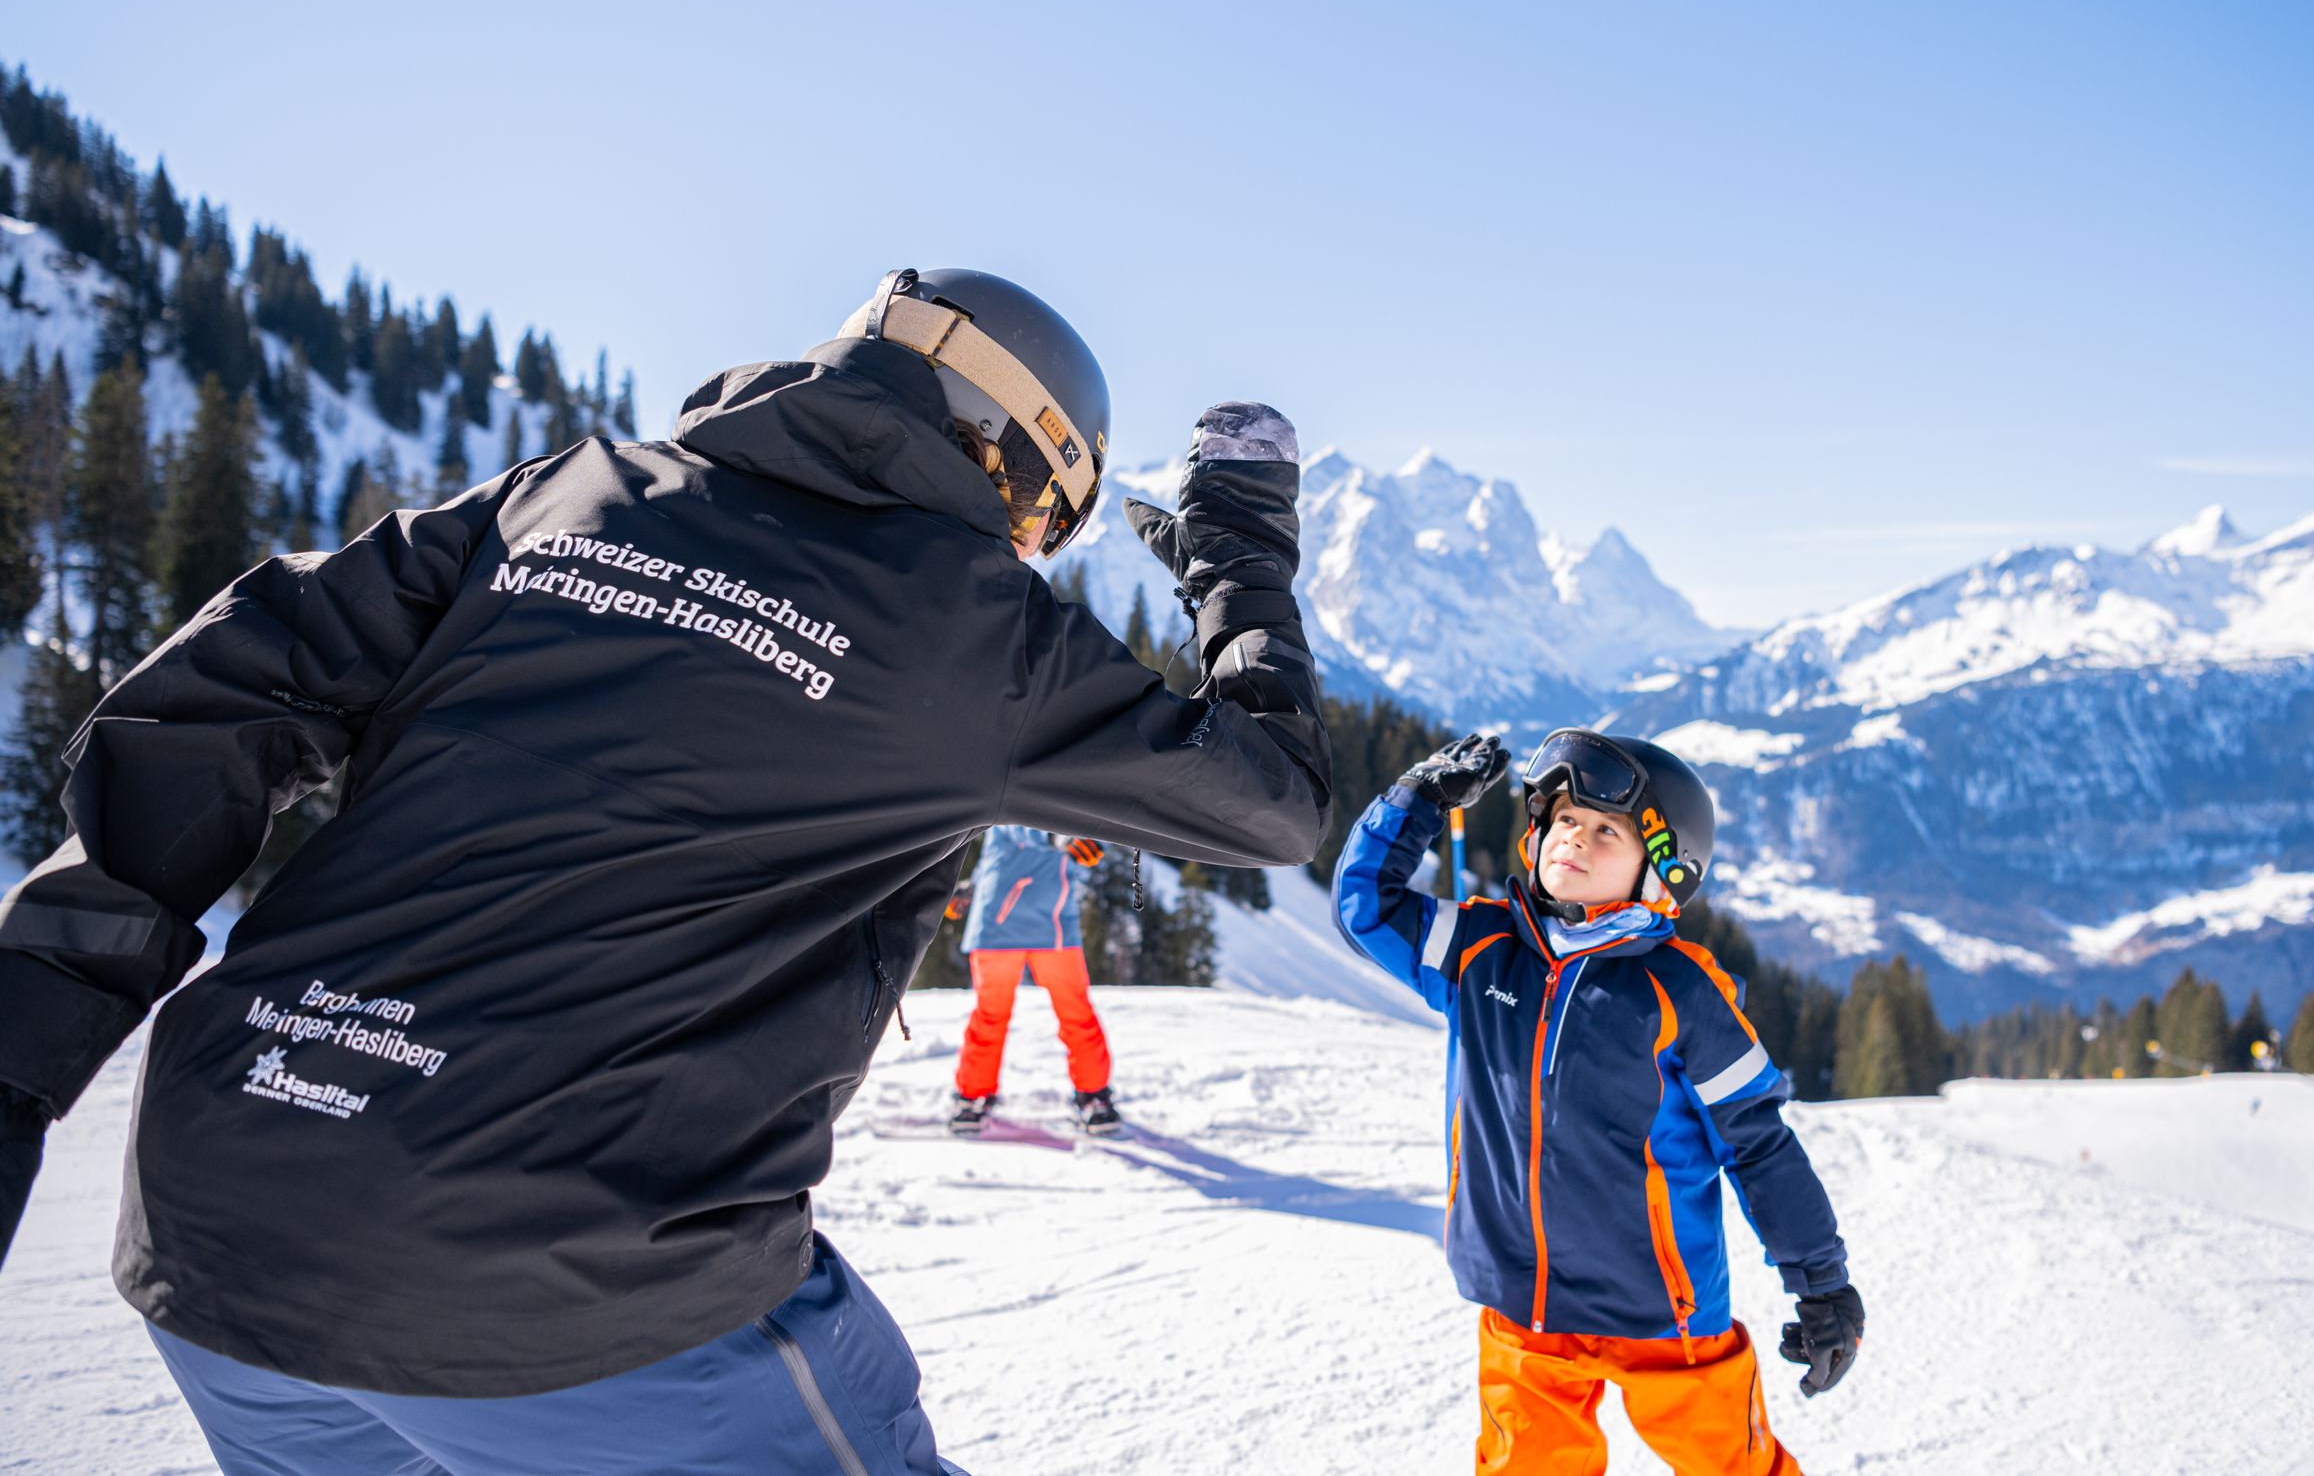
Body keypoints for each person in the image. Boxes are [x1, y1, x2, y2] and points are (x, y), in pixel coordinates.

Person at [0, 265, 1330, 1476]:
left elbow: (212, 707)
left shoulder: (557, 495)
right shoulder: (985, 628)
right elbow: (1273, 804)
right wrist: (1237, 546)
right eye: (1046, 519)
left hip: (222, 1203)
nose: (1029, 551)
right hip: (568, 1269)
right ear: (1021, 468)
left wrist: (23, 1048)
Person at [1332, 729, 1865, 1476]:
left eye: (1605, 829)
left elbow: (1758, 1143)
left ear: (1661, 871)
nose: (1572, 838)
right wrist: (1418, 797)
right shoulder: (1480, 948)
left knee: (1731, 1465)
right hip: (1526, 1305)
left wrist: (1822, 1282)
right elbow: (1364, 905)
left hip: (1659, 1309)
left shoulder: (1683, 991)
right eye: (1563, 820)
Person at [948, 826, 1123, 1136]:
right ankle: (973, 1095)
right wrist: (1057, 838)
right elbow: (1013, 824)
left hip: (1055, 925)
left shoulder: (1072, 799)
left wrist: (973, 885)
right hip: (998, 925)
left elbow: (1000, 850)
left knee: (1077, 1012)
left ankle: (1094, 1095)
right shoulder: (1016, 785)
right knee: (991, 1013)